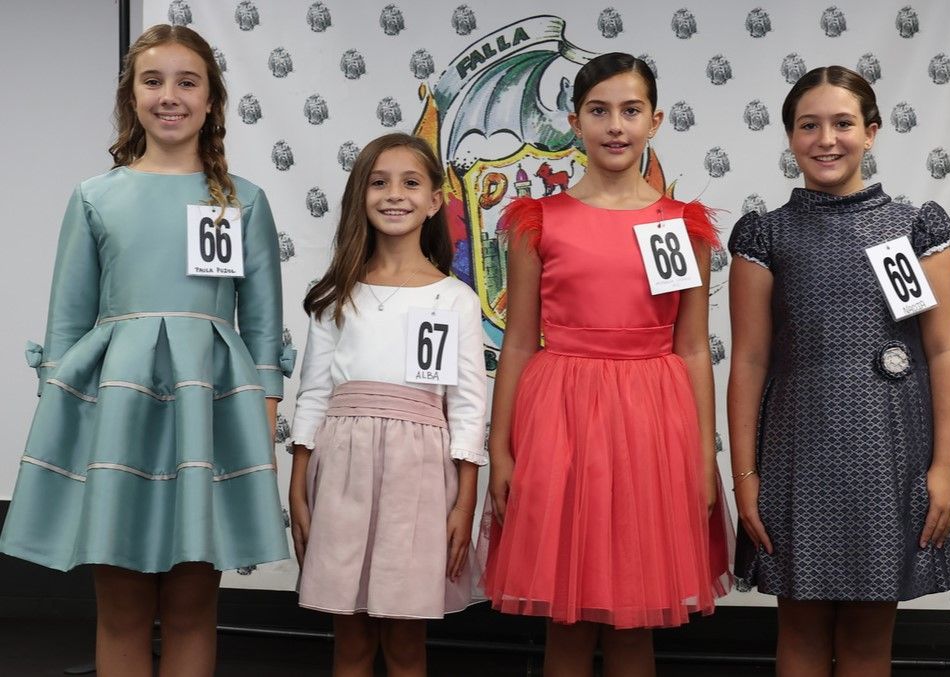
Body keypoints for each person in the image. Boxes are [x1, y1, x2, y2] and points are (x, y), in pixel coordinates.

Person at [0, 24, 293, 676]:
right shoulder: (96, 196)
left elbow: (263, 328)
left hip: (206, 414)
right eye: (152, 81)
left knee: (192, 602)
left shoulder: (242, 200)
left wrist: (261, 417)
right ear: (130, 97)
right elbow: (67, 323)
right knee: (122, 607)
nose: (169, 96)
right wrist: (63, 424)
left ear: (212, 99)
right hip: (118, 415)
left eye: (187, 82)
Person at [483, 52, 733, 677]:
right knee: (566, 624)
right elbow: (517, 343)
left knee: (634, 626)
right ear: (574, 121)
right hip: (561, 420)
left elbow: (694, 346)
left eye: (630, 111)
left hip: (650, 425)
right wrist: (501, 448)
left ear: (657, 121)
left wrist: (704, 455)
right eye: (599, 111)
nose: (615, 125)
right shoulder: (538, 221)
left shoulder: (680, 226)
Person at [727, 65, 950, 677]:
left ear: (871, 132)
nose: (826, 139)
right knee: (801, 631)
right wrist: (744, 474)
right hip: (797, 455)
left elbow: (945, 351)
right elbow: (750, 361)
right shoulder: (765, 232)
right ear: (789, 138)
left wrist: (945, 467)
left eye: (842, 123)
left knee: (870, 637)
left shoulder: (916, 227)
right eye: (808, 125)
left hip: (891, 457)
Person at [287, 132, 487, 677]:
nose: (394, 195)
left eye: (410, 182)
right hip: (343, 473)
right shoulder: (335, 295)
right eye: (379, 182)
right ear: (361, 196)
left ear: (434, 200)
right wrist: (299, 480)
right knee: (349, 640)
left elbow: (468, 407)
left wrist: (464, 501)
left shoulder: (455, 299)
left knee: (404, 644)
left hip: (419, 478)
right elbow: (314, 392)